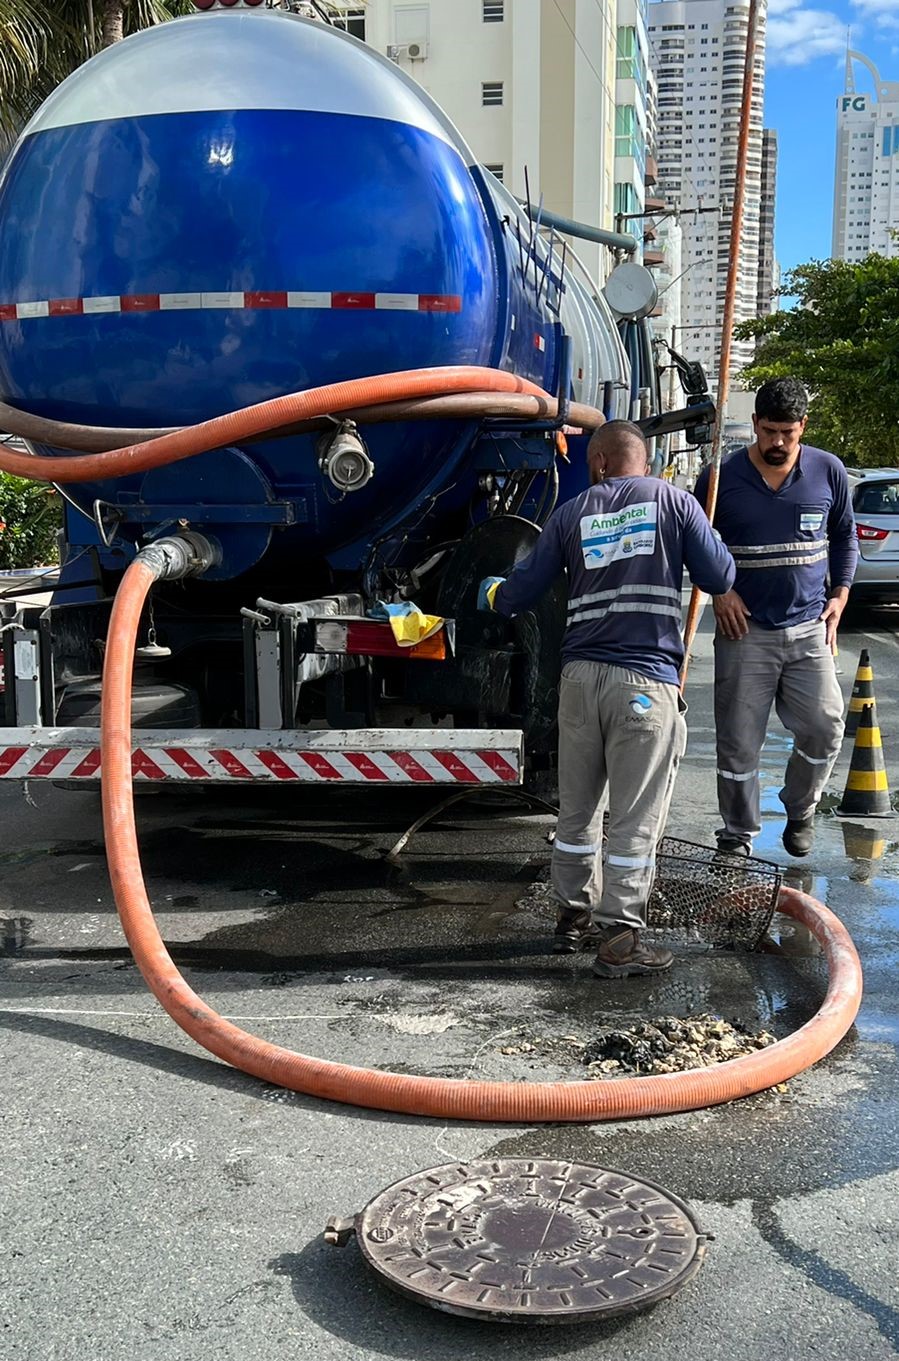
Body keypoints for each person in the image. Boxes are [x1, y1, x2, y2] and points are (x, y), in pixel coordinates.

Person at [478, 420, 735, 978]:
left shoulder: (571, 513)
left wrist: (490, 592)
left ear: (597, 462)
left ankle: (571, 920)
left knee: (578, 810)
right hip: (642, 684)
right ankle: (620, 937)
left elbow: (520, 591)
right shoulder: (674, 500)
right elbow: (719, 576)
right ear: (644, 460)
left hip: (579, 680)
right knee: (635, 816)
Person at [693, 377, 858, 860]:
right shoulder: (719, 480)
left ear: (803, 427)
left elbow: (845, 535)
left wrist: (841, 594)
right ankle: (737, 834)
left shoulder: (827, 471)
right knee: (739, 744)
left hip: (809, 628)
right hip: (745, 634)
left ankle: (800, 808)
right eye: (769, 431)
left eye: (788, 432)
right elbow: (698, 544)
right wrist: (720, 590)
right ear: (754, 425)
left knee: (825, 726)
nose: (778, 443)